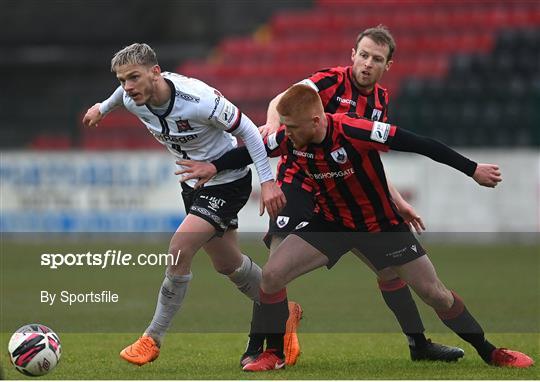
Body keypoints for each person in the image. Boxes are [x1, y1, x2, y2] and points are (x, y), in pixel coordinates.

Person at [177, 25, 464, 366]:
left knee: (388, 269)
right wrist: (271, 127)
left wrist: (396, 202)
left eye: (377, 58)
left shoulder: (380, 102)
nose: (368, 63)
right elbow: (280, 101)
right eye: (364, 55)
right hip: (298, 181)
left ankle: (418, 343)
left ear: (388, 65)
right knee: (276, 266)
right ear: (352, 56)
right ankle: (260, 347)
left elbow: (365, 158)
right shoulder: (329, 81)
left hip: (341, 188)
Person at [226, 84, 533, 371]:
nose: (287, 134)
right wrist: (211, 166)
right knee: (271, 275)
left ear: (316, 121)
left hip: (381, 227)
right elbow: (249, 151)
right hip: (331, 224)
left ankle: (490, 351)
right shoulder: (290, 136)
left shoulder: (355, 130)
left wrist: (473, 169)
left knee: (435, 294)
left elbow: (420, 144)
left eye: (292, 128)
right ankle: (275, 354)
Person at [82, 43, 287, 366]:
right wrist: (101, 108)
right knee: (227, 264)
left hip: (227, 181)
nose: (127, 87)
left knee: (180, 247)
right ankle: (283, 311)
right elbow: (117, 96)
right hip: (192, 184)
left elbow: (248, 129)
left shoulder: (199, 100)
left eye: (133, 77)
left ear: (155, 73)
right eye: (122, 80)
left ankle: (152, 337)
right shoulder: (131, 97)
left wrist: (267, 181)